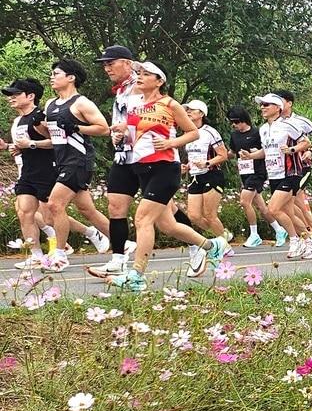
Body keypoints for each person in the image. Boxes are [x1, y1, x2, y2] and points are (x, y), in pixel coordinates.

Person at [110, 61, 231, 291]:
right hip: (141, 168)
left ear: (159, 81)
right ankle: (212, 245)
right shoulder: (136, 105)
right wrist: (121, 134)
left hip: (164, 167)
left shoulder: (169, 103)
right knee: (167, 225)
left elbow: (193, 132)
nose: (140, 77)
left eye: (146, 74)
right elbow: (133, 133)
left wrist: (170, 143)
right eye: (139, 73)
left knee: (143, 219)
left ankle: (136, 276)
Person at [43, 61, 115, 272]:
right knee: (87, 210)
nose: (52, 77)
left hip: (78, 161)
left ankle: (60, 255)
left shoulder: (81, 103)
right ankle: (123, 243)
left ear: (71, 77)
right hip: (61, 160)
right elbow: (54, 136)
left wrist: (77, 126)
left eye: (56, 74)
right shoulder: (50, 104)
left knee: (55, 205)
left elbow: (103, 129)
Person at [89, 45, 142, 278]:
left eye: (111, 63)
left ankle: (200, 246)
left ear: (128, 63)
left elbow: (154, 117)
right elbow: (119, 120)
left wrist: (129, 130)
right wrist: (116, 135)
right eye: (104, 64)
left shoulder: (142, 85)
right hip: (123, 156)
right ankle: (118, 259)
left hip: (145, 155)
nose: (106, 67)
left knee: (164, 213)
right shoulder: (121, 90)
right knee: (115, 206)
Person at [4, 78, 66, 270]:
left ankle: (60, 251)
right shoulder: (20, 120)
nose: (11, 99)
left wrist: (31, 144)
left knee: (52, 215)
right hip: (28, 172)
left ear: (30, 96)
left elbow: (57, 142)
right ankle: (36, 255)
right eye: (10, 95)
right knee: (24, 211)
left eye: (16, 95)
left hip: (47, 170)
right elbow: (26, 145)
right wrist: (15, 148)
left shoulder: (40, 117)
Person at [253, 94, 312, 260]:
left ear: (277, 107)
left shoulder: (288, 124)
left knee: (273, 209)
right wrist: (249, 156)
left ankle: (295, 239)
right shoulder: (263, 129)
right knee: (288, 212)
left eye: (266, 104)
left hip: (290, 172)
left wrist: (293, 150)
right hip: (274, 174)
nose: (262, 107)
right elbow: (266, 151)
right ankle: (309, 239)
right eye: (261, 105)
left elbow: (306, 142)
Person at [229, 106, 282, 247]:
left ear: (244, 119)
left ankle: (254, 234)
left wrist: (254, 152)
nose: (234, 125)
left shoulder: (257, 132)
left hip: (258, 172)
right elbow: (231, 152)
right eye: (231, 122)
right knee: (262, 207)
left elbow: (266, 150)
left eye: (236, 121)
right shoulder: (234, 135)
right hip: (244, 172)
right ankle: (279, 229)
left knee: (244, 202)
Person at [181, 99, 230, 243]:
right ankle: (223, 235)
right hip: (195, 176)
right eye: (187, 109)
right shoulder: (188, 133)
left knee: (210, 214)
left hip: (212, 175)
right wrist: (188, 166)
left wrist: (207, 163)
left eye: (191, 109)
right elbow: (193, 155)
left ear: (201, 113)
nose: (188, 112)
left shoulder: (210, 132)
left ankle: (223, 245)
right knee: (193, 215)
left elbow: (223, 155)